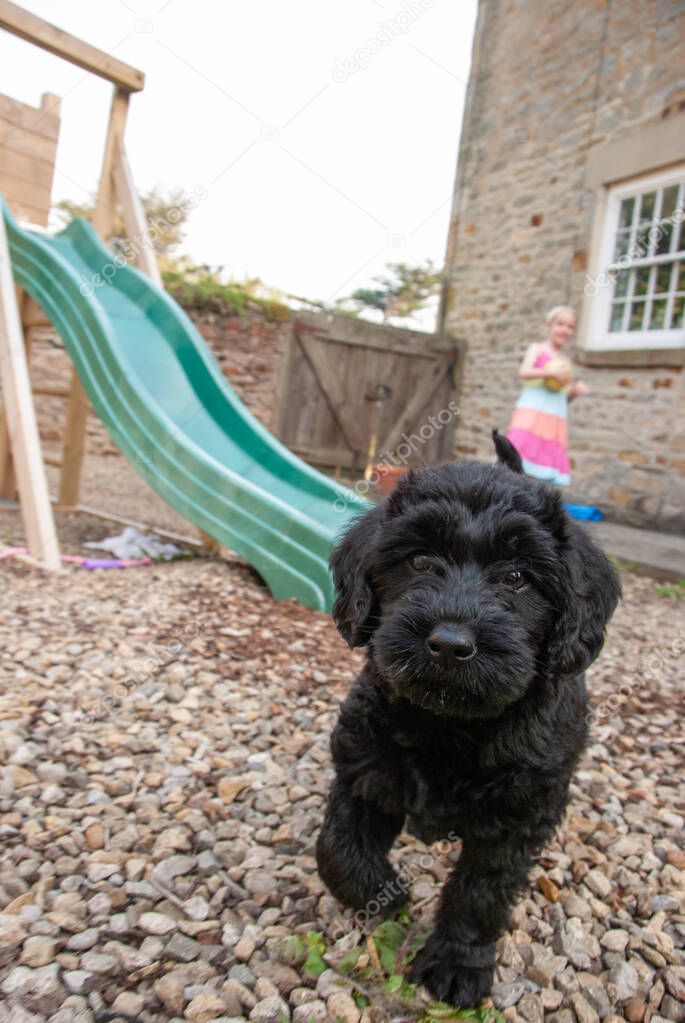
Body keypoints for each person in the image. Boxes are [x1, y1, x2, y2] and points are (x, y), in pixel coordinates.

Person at [506, 305, 589, 485]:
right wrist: (548, 373)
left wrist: (574, 392)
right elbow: (524, 371)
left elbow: (564, 397)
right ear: (549, 326)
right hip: (532, 410)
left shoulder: (566, 361)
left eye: (570, 326)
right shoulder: (537, 349)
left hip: (554, 416)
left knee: (542, 465)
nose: (565, 330)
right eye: (560, 324)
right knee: (517, 455)